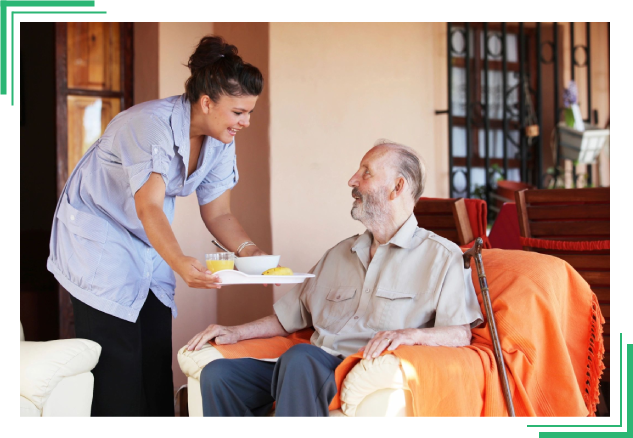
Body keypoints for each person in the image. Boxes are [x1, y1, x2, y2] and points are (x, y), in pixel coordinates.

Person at [47, 35, 269, 417]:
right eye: (238, 112)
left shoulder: (220, 138)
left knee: (154, 362)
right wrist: (182, 263)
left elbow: (217, 214)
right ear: (206, 102)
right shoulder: (149, 125)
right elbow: (148, 206)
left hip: (147, 241)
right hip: (99, 240)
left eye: (249, 112)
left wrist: (252, 255)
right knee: (117, 370)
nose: (246, 122)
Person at [187, 139, 484, 417]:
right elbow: (289, 317)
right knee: (218, 375)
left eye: (365, 173)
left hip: (359, 366)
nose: (352, 180)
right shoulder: (339, 253)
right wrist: (236, 332)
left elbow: (459, 333)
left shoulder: (442, 257)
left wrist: (411, 336)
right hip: (308, 367)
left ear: (397, 187)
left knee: (301, 359)